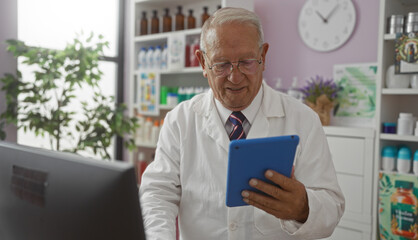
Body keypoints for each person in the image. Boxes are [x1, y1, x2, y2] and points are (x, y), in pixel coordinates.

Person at [139, 7, 345, 240]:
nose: (235, 77)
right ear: (202, 63)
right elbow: (158, 193)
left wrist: (304, 207)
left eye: (246, 62)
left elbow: (332, 207)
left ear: (263, 57)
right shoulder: (180, 120)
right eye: (221, 64)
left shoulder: (303, 119)